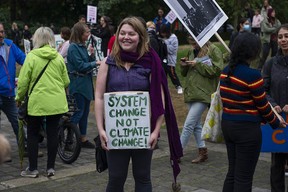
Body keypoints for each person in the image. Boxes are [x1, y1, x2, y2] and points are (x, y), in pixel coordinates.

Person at [95, 16, 182, 192]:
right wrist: (101, 129)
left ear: (140, 37)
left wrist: (156, 131)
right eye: (122, 33)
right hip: (115, 131)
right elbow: (99, 96)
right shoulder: (108, 62)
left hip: (143, 132)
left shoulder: (150, 62)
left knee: (142, 177)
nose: (126, 37)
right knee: (116, 178)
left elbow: (159, 99)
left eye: (131, 34)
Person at [219, 31, 287, 192]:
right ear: (252, 51)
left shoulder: (225, 71)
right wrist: (276, 122)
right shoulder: (252, 75)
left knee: (232, 173)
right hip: (246, 131)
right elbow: (263, 105)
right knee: (243, 178)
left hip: (228, 125)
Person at [16, 26, 70, 178]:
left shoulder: (32, 57)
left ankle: (33, 169)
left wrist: (19, 98)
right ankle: (51, 168)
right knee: (53, 134)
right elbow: (66, 81)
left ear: (37, 39)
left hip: (37, 102)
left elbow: (23, 82)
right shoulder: (58, 57)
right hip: (56, 103)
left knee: (33, 134)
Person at [179, 36, 224, 163]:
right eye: (191, 44)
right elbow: (184, 73)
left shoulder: (213, 50)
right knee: (196, 125)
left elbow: (217, 70)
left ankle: (177, 152)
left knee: (188, 124)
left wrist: (197, 64)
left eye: (194, 43)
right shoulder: (191, 51)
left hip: (204, 93)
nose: (193, 46)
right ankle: (203, 151)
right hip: (191, 92)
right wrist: (184, 65)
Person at [262, 23, 288, 192]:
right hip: (279, 121)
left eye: (286, 36)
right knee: (276, 165)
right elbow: (263, 90)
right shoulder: (271, 63)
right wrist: (273, 105)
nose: (283, 40)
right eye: (280, 37)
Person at [67, 22, 96, 149]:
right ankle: (68, 139)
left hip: (86, 84)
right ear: (80, 33)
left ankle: (83, 138)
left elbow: (86, 63)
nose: (89, 34)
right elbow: (80, 66)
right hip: (78, 84)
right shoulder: (73, 47)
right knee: (78, 113)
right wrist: (95, 63)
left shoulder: (82, 46)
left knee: (84, 113)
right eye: (87, 32)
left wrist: (91, 55)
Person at [0, 22, 26, 143]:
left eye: (2, 31)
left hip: (8, 93)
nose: (1, 34)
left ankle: (24, 146)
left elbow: (25, 61)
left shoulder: (10, 45)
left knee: (17, 121)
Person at [159, 24, 183, 94]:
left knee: (172, 74)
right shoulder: (160, 38)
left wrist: (164, 44)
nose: (162, 34)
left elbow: (172, 50)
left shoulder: (173, 38)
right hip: (162, 60)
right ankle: (164, 88)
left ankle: (178, 86)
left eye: (164, 32)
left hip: (170, 60)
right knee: (163, 74)